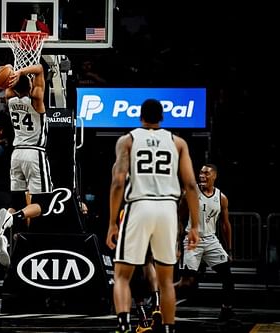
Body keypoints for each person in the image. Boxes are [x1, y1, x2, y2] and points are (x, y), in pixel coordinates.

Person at [105, 98, 201, 333]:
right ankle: (168, 329)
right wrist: (195, 226)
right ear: (162, 117)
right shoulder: (177, 142)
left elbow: (118, 182)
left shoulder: (127, 140)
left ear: (140, 116)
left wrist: (111, 223)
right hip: (167, 209)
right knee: (166, 280)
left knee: (122, 276)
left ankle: (125, 325)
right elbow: (190, 184)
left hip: (139, 206)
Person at [0, 63, 53, 267]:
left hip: (15, 155)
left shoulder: (10, 100)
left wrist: (9, 71)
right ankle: (12, 219)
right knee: (42, 205)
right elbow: (40, 70)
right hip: (35, 153)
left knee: (16, 202)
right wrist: (21, 72)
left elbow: (9, 86)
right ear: (31, 85)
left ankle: (7, 218)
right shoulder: (36, 101)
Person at [175, 163, 235, 321]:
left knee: (228, 277)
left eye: (206, 173)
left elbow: (225, 224)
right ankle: (158, 297)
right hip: (192, 239)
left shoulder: (221, 197)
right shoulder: (191, 192)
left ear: (214, 176)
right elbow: (179, 219)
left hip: (211, 240)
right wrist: (177, 243)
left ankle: (226, 310)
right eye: (200, 173)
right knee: (187, 284)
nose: (202, 176)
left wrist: (228, 250)